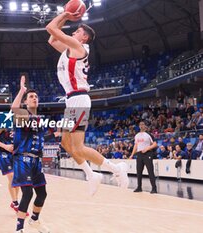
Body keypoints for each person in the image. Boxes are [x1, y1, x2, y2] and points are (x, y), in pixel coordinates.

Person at [46, 11, 128, 196]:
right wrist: (65, 17)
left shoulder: (77, 47)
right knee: (66, 144)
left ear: (84, 38)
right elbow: (52, 39)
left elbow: (50, 28)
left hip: (78, 99)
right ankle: (91, 175)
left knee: (79, 147)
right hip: (71, 100)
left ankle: (116, 169)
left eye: (77, 31)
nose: (74, 32)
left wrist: (66, 13)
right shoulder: (69, 49)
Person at [11, 76, 49, 233]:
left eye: (36, 97)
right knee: (27, 193)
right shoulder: (22, 114)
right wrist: (22, 91)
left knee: (42, 193)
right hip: (23, 159)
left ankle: (34, 220)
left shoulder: (39, 119)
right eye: (31, 97)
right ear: (26, 102)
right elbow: (13, 108)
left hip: (36, 161)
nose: (34, 98)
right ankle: (19, 228)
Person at [0, 128, 21, 213]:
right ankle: (15, 203)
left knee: (16, 179)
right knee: (11, 176)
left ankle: (14, 200)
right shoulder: (3, 120)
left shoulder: (21, 122)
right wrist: (5, 146)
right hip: (4, 153)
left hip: (16, 153)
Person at [129, 122, 158, 194]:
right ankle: (139, 187)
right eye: (140, 125)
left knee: (150, 171)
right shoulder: (137, 135)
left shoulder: (149, 134)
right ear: (139, 126)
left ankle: (154, 188)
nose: (141, 126)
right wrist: (132, 154)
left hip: (147, 153)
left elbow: (155, 144)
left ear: (145, 126)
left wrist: (148, 148)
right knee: (139, 172)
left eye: (143, 124)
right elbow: (136, 145)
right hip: (139, 154)